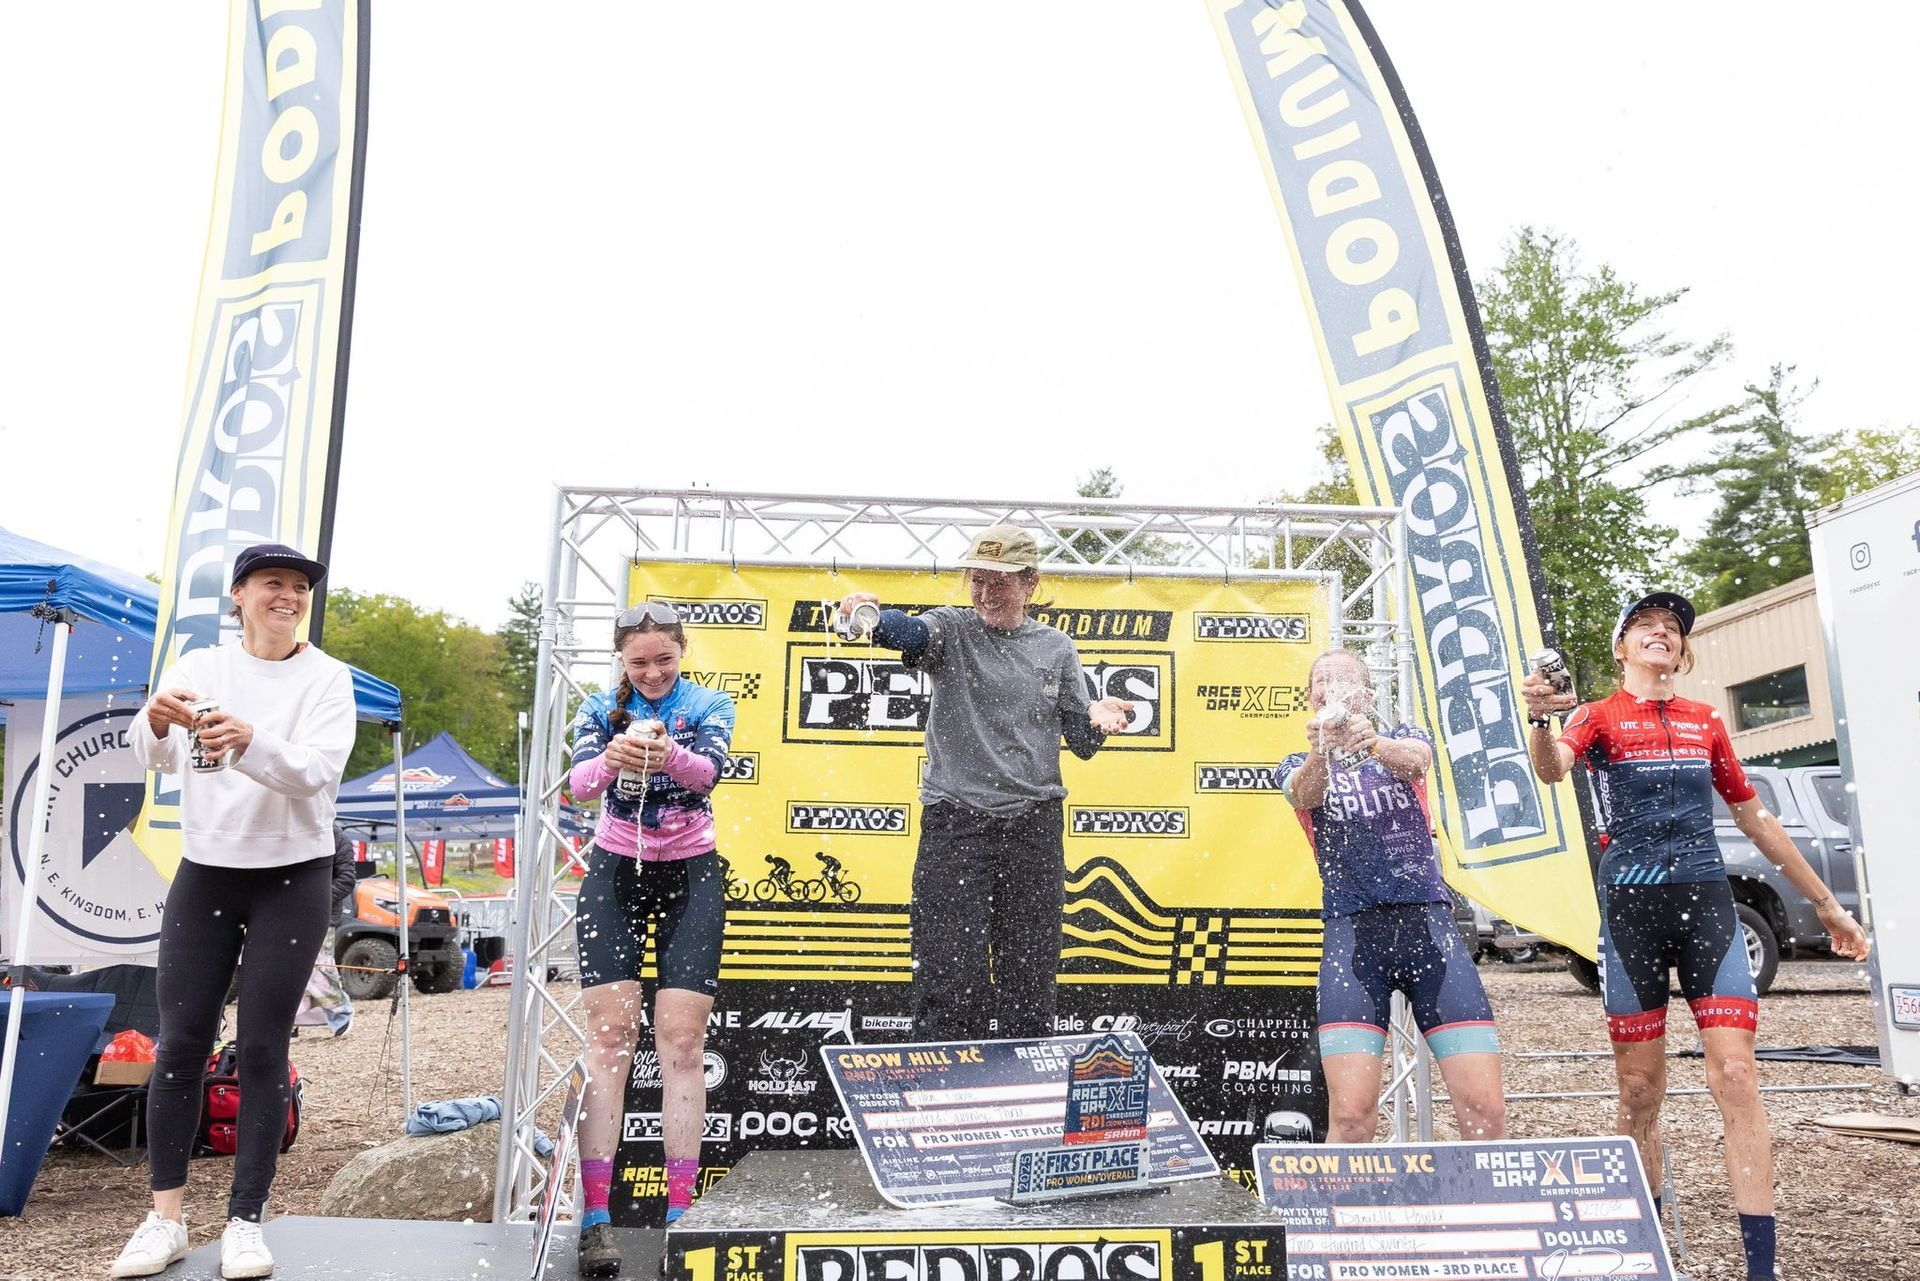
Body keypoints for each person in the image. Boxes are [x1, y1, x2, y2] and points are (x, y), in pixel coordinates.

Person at [1522, 591, 1870, 1281]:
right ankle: (1646, 1252)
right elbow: (1552, 767)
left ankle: (1761, 1269)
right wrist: (1537, 715)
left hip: (1708, 907)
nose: (1662, 631)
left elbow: (1758, 820)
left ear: (1682, 651)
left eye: (1674, 627)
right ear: (1622, 647)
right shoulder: (1595, 715)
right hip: (1631, 916)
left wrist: (1827, 904)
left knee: (1738, 1076)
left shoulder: (1706, 721)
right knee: (1641, 1092)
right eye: (1646, 624)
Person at [110, 544, 356, 1281]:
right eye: (272, 583)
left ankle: (246, 1220)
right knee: (180, 1043)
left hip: (293, 874)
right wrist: (153, 721)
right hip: (207, 871)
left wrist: (250, 741)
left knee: (259, 1048)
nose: (288, 595)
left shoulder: (327, 677)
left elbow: (318, 770)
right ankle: (165, 1219)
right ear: (240, 595)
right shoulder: (199, 666)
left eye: (299, 587)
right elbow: (151, 758)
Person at [837, 523, 1132, 1041]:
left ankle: (1024, 1100)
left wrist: (1099, 718)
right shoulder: (952, 629)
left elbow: (1081, 741)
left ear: (1030, 584)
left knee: (1029, 976)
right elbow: (910, 634)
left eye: (998, 581)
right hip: (956, 827)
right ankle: (944, 1099)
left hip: (1034, 830)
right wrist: (870, 618)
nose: (984, 593)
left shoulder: (1057, 648)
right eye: (976, 580)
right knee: (949, 974)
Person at [1275, 648, 1506, 1143]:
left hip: (1430, 931)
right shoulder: (1297, 762)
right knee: (1353, 1118)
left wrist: (1373, 743)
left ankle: (1485, 1219)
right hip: (1354, 939)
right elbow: (1304, 795)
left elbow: (1418, 763)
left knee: (1484, 1114)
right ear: (1310, 698)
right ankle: (1336, 1220)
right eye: (1321, 680)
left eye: (1345, 679)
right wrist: (1323, 750)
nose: (1331, 686)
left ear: (1367, 695)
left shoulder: (1401, 736)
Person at [565, 602, 733, 1269]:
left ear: (682, 650)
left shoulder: (710, 702)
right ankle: (597, 1217)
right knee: (609, 1041)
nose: (653, 671)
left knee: (683, 1042)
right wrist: (610, 758)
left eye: (664, 658)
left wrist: (671, 752)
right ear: (622, 662)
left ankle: (682, 1215)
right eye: (639, 661)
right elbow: (578, 788)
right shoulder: (600, 709)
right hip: (614, 872)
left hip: (691, 871)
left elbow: (710, 774)